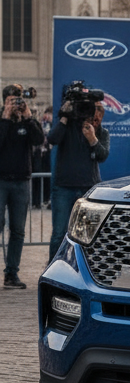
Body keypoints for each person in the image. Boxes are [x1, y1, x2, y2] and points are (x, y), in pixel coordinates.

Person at [48, 97, 109, 259]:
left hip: (88, 188)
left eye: (97, 115)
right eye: (90, 112)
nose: (93, 118)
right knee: (59, 233)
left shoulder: (101, 132)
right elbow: (52, 139)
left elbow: (102, 156)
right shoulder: (68, 126)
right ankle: (53, 269)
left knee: (87, 235)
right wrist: (65, 116)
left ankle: (82, 269)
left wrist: (92, 139)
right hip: (63, 187)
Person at [0, 85, 44, 288]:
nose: (16, 103)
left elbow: (39, 140)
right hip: (1, 181)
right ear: (4, 101)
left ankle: (11, 274)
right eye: (11, 100)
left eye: (18, 99)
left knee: (18, 231)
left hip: (21, 182)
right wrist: (6, 118)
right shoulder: (2, 120)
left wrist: (28, 116)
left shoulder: (27, 121)